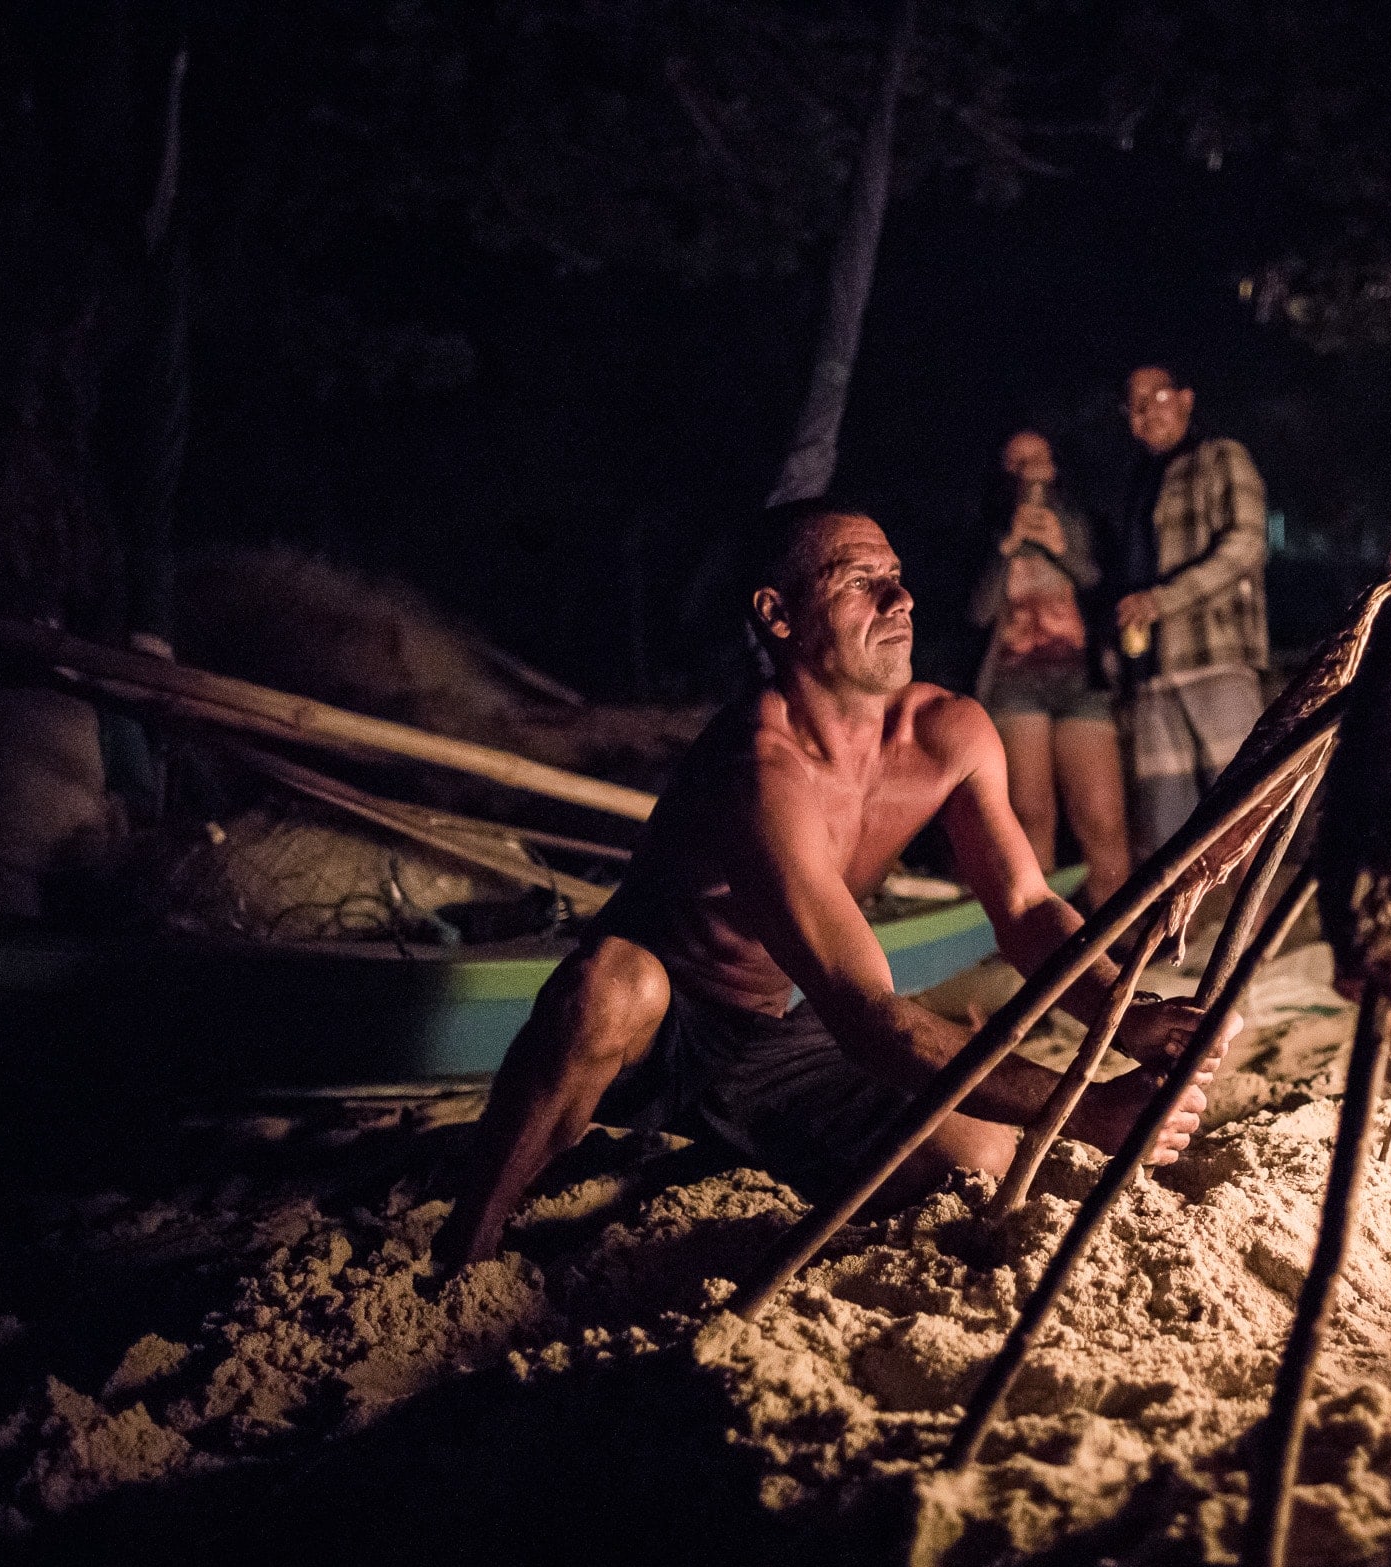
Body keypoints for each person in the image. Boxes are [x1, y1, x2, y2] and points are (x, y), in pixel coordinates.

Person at [434, 501, 1232, 1270]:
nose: (901, 598)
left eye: (898, 575)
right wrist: (1086, 1112)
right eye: (860, 581)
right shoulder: (760, 768)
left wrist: (1129, 1016)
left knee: (980, 1156)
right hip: (659, 1038)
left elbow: (1025, 910)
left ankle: (729, 1147)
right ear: (778, 616)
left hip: (782, 1033)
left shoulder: (947, 732)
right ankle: (468, 1241)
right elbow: (872, 1019)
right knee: (613, 983)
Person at [969, 430, 1130, 905]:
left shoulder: (1085, 522)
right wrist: (1007, 547)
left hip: (1083, 681)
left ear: (1055, 466)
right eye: (1015, 462)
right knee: (1031, 814)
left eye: (1035, 459)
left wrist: (1064, 550)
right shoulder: (989, 528)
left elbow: (1108, 591)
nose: (1026, 471)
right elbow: (978, 613)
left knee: (1102, 817)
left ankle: (1117, 936)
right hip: (1015, 683)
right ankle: (1044, 944)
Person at [1113, 365, 1269, 856]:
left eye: (1154, 398)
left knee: (1243, 812)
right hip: (1152, 673)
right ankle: (1180, 934)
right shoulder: (1140, 483)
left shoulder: (1221, 456)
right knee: (1165, 835)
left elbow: (1246, 545)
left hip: (1215, 658)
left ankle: (1261, 931)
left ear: (1184, 399)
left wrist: (1161, 601)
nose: (1143, 414)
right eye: (1133, 407)